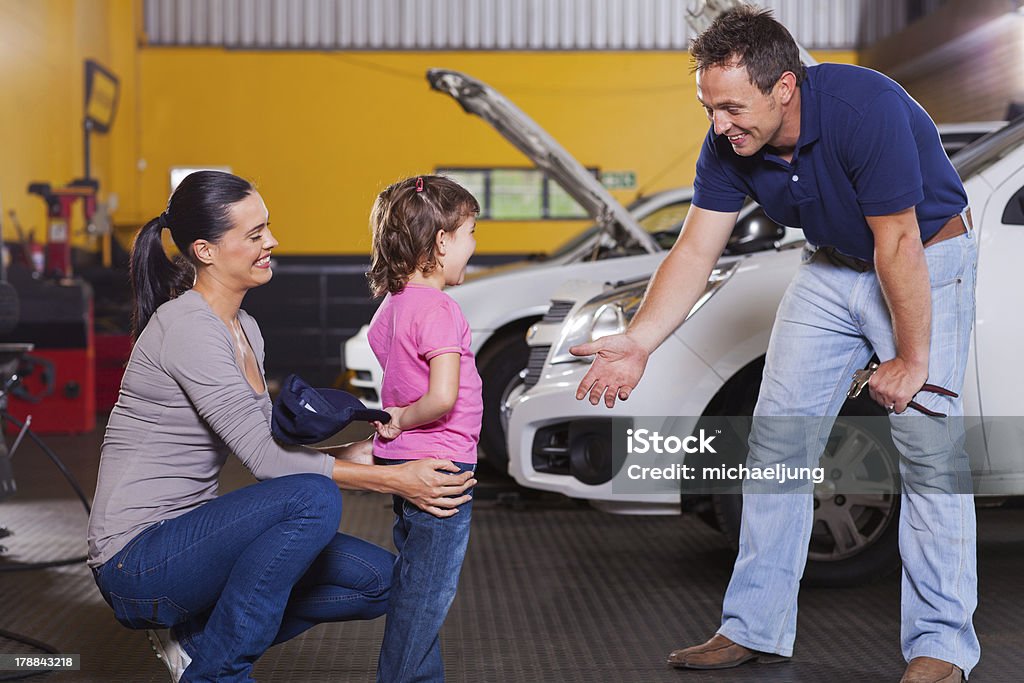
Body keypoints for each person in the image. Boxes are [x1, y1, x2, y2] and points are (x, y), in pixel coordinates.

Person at [570, 7, 977, 683]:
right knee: (776, 442)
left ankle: (942, 647)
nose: (718, 125)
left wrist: (910, 357)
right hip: (833, 265)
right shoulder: (729, 143)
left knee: (929, 450)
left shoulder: (861, 107)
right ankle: (753, 625)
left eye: (731, 107)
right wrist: (640, 339)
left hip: (925, 260)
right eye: (708, 108)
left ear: (784, 87)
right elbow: (696, 247)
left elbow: (899, 240)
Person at [87, 170, 476, 683]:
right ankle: (218, 672)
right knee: (310, 500)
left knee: (383, 582)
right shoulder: (186, 327)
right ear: (205, 250)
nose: (271, 241)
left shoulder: (245, 328)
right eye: (254, 235)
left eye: (266, 227)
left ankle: (202, 645)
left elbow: (269, 434)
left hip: (192, 538)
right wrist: (395, 480)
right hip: (138, 560)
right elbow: (267, 461)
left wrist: (384, 455)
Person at [365, 175, 483, 683]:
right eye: (470, 234)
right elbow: (441, 398)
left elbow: (381, 348)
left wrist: (400, 422)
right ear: (441, 241)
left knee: (417, 583)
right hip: (442, 467)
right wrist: (401, 418)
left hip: (407, 463)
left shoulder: (392, 305)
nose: (473, 247)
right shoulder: (439, 308)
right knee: (426, 595)